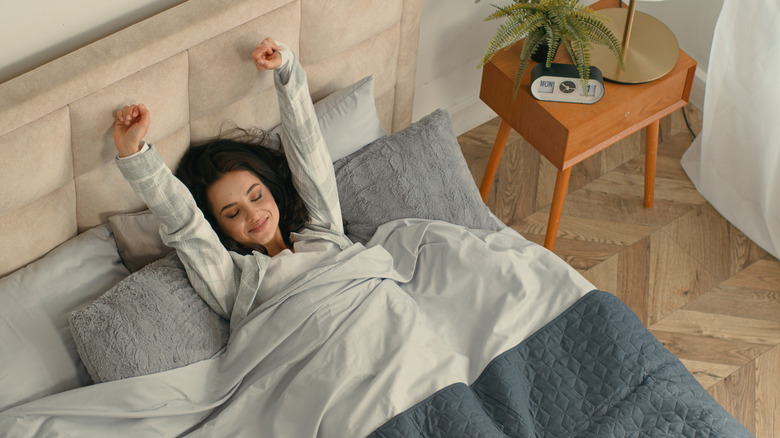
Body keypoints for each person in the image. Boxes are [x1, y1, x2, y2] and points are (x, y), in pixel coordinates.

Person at [113, 38, 353, 328]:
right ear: (219, 227)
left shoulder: (323, 232)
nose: (253, 214)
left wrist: (286, 69)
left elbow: (308, 153)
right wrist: (133, 153)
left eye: (256, 196)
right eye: (232, 213)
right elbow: (186, 226)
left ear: (272, 190)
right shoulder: (237, 286)